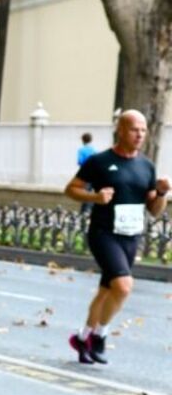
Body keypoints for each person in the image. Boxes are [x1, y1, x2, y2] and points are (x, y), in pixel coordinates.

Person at [66, 109, 168, 364]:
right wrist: (95, 197)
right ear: (120, 130)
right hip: (103, 234)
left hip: (130, 236)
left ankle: (82, 338)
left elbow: (153, 210)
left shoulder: (146, 166)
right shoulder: (99, 161)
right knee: (123, 286)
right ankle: (100, 334)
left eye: (143, 130)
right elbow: (71, 189)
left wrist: (162, 193)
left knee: (105, 292)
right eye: (134, 129)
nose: (140, 134)